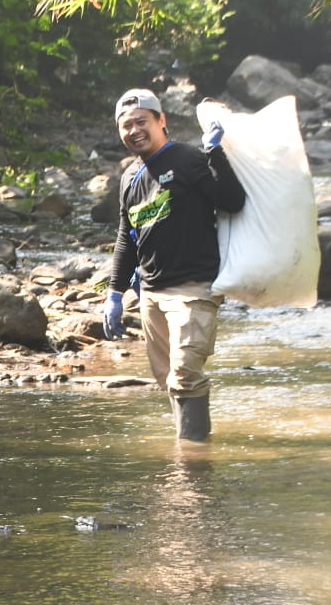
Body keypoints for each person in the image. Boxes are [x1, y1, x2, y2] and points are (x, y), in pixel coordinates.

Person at [101, 88, 246, 441]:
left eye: (141, 122)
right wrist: (114, 294)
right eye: (126, 126)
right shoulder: (130, 178)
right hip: (150, 292)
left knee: (184, 373)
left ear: (161, 120)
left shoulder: (186, 159)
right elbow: (126, 237)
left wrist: (214, 153)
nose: (134, 130)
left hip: (194, 289)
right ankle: (192, 445)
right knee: (167, 377)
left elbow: (232, 200)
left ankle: (191, 463)